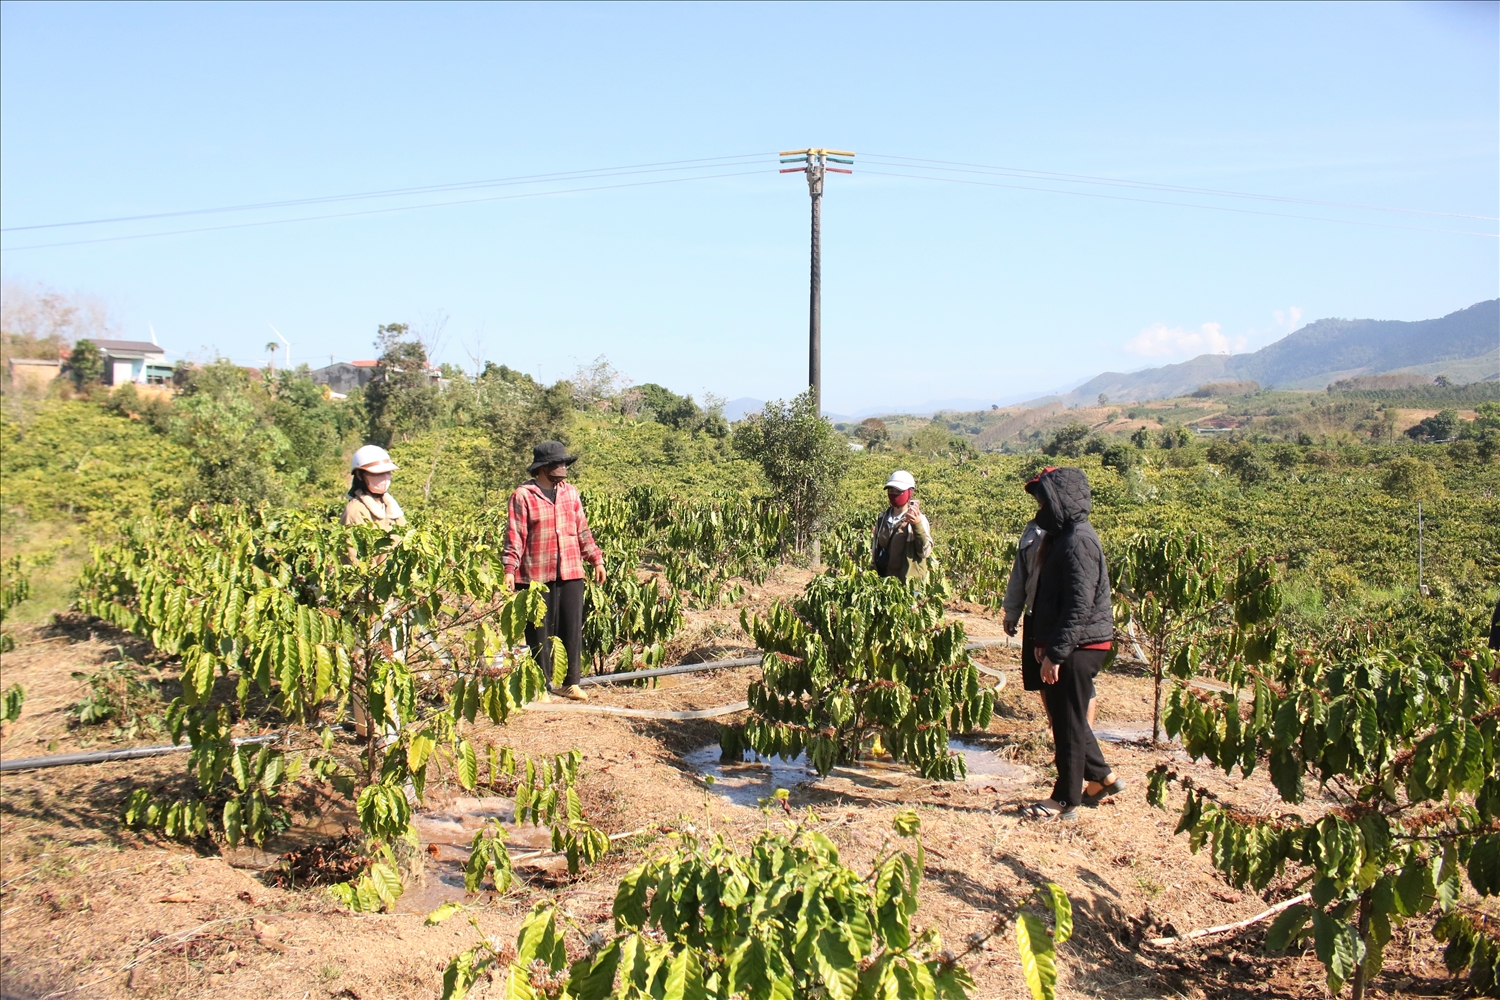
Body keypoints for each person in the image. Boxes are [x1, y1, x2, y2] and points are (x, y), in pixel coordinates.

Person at [1021, 467, 1124, 822]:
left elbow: (1079, 606)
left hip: (1082, 645)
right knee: (1072, 719)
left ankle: (1065, 800)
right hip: (1075, 642)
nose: (1040, 507)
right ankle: (1102, 779)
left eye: (1045, 499)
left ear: (1061, 500)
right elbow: (1057, 599)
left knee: (1067, 723)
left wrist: (1056, 652)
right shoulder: (1064, 536)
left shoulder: (1078, 540)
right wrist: (1043, 642)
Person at [503, 441, 606, 702]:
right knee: (539, 631)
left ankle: (571, 683)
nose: (562, 468)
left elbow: (582, 530)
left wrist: (596, 559)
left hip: (571, 569)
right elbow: (515, 535)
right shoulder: (523, 495)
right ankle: (541, 685)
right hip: (535, 573)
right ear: (542, 468)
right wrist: (509, 568)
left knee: (571, 627)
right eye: (557, 464)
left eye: (564, 463)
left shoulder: (570, 493)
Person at [1003, 468, 1096, 727]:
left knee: (1076, 681)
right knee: (1041, 676)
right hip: (1036, 613)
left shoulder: (1074, 535)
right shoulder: (1033, 530)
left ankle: (1082, 735)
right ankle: (1057, 728)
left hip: (1063, 617)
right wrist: (1013, 610)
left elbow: (1082, 592)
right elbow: (1020, 571)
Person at [341, 445, 405, 738]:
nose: (384, 480)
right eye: (376, 475)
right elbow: (357, 559)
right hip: (370, 598)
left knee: (394, 659)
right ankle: (368, 727)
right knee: (367, 661)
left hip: (393, 593)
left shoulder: (390, 504)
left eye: (386, 474)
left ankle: (391, 719)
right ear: (361, 476)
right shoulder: (356, 510)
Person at [871, 470, 934, 584]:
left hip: (909, 584)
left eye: (898, 491)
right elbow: (875, 550)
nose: (894, 494)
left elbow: (924, 552)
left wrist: (917, 525)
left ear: (909, 493)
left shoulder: (919, 520)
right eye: (891, 491)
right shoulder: (882, 518)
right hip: (885, 582)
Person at [342, 445, 406, 529]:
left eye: (387, 472)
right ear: (359, 475)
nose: (385, 477)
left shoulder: (390, 506)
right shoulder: (355, 511)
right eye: (378, 473)